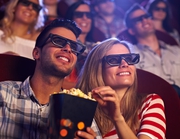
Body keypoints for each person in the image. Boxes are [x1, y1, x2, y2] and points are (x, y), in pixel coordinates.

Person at [0, 19, 102, 139]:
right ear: (37, 53)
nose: (68, 49)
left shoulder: (80, 110)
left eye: (73, 46)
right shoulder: (3, 94)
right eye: (58, 41)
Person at [76, 38, 166, 139]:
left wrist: (117, 118)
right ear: (96, 69)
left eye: (129, 59)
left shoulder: (149, 103)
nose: (124, 64)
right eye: (113, 60)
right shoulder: (80, 108)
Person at [124, 3, 180, 96]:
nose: (145, 20)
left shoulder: (176, 50)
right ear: (131, 30)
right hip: (158, 103)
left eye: (146, 16)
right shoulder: (132, 56)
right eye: (138, 19)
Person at [65, 0, 97, 82]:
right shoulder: (65, 44)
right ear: (71, 18)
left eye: (88, 15)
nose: (85, 18)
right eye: (79, 15)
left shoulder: (96, 46)